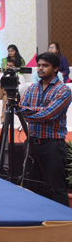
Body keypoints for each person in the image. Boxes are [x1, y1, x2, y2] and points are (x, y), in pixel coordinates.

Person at [19, 52, 71, 207]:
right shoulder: (32, 88)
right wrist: (38, 111)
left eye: (45, 65)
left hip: (53, 145)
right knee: (30, 186)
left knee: (56, 188)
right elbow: (20, 109)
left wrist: (30, 113)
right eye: (39, 65)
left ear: (55, 68)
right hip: (31, 143)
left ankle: (63, 220)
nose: (40, 68)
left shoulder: (63, 90)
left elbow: (49, 114)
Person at [0, 57, 25, 122]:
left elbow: (21, 87)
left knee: (6, 97)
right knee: (5, 89)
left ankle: (3, 119)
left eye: (10, 66)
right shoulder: (0, 75)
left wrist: (11, 88)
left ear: (15, 68)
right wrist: (5, 87)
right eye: (7, 65)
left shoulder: (19, 76)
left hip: (11, 94)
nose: (8, 67)